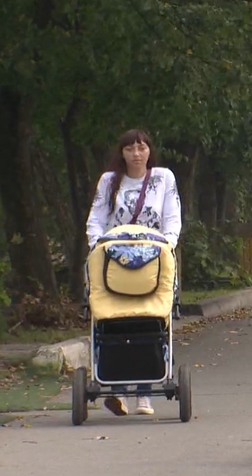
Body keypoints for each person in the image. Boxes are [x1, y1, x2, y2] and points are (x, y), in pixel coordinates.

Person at [85, 129, 182, 417]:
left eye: (141, 148)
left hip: (153, 260)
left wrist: (167, 246)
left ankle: (144, 393)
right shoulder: (109, 181)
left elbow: (172, 218)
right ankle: (116, 389)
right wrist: (97, 246)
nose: (136, 154)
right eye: (129, 149)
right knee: (114, 318)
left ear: (149, 150)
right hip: (114, 261)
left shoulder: (163, 178)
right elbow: (96, 219)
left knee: (150, 319)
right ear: (122, 153)